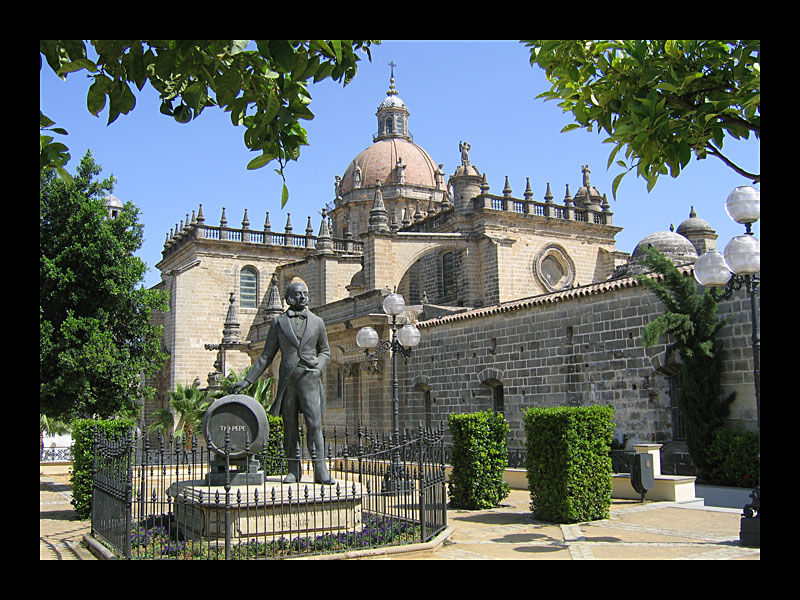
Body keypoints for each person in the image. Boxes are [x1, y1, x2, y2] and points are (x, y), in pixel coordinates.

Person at [231, 281, 334, 485]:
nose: (302, 297)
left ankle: (320, 471)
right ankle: (293, 470)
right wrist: (247, 380)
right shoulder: (278, 323)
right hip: (288, 382)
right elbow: (265, 356)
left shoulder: (317, 322)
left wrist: (318, 368)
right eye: (297, 294)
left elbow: (325, 351)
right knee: (290, 427)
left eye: (305, 293)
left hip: (310, 379)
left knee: (315, 426)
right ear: (288, 298)